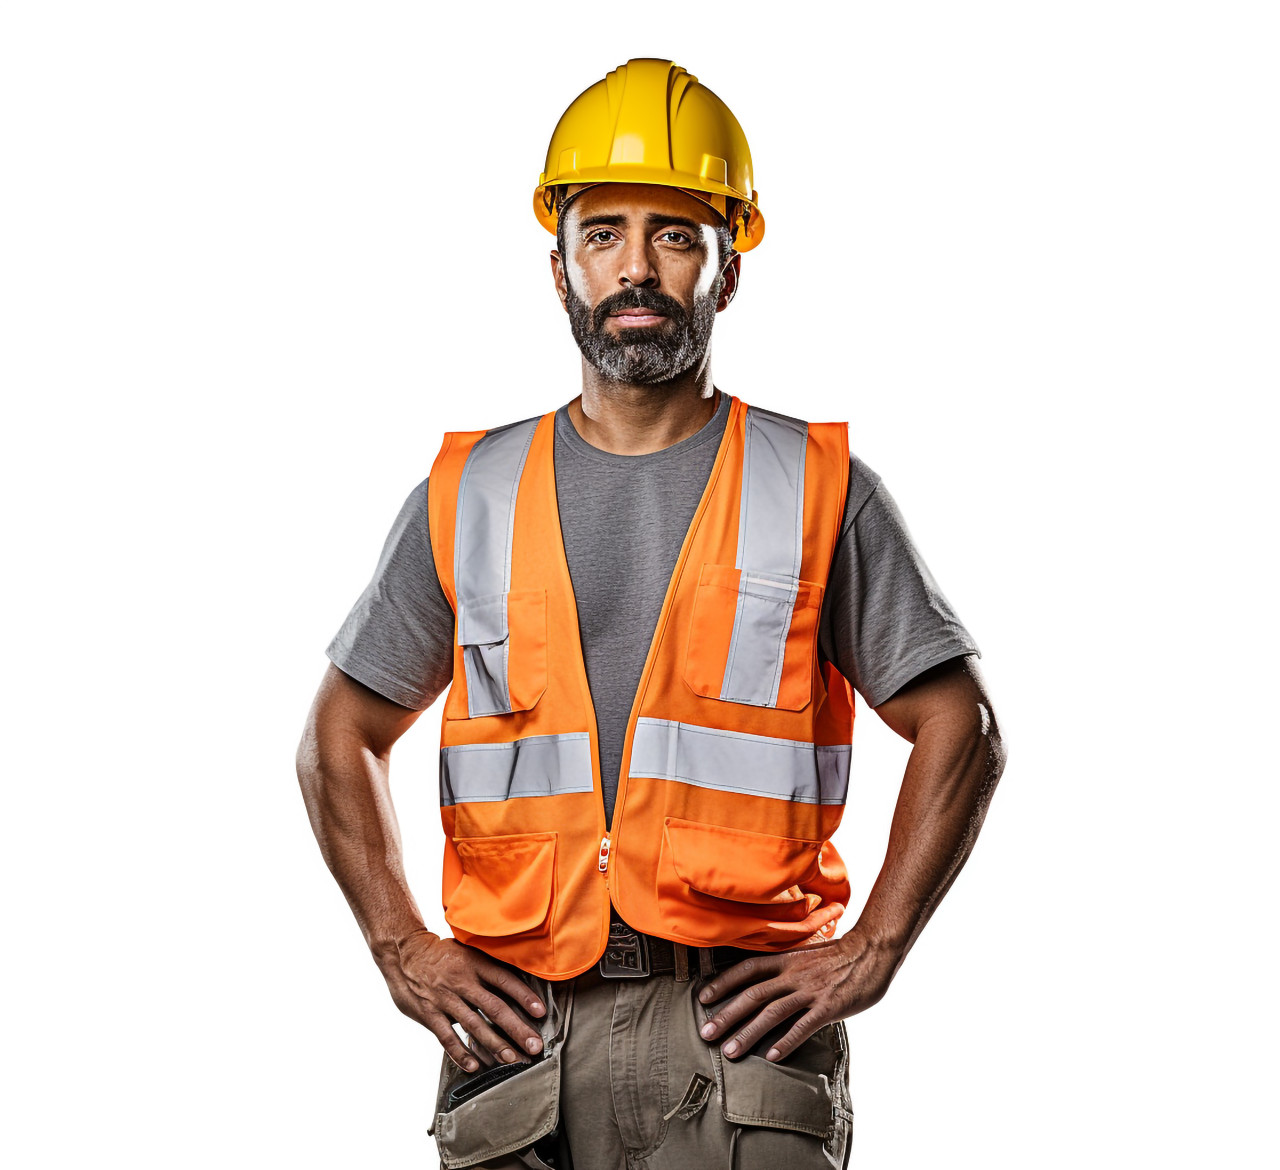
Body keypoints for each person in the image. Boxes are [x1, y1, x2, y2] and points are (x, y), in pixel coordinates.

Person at [297, 57, 1006, 1170]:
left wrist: (874, 948)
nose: (635, 267)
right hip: (518, 1027)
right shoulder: (470, 491)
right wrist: (399, 946)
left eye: (675, 235)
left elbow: (961, 728)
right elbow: (337, 737)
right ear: (559, 267)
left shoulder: (816, 488)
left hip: (736, 1029)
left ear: (728, 271)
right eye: (603, 233)